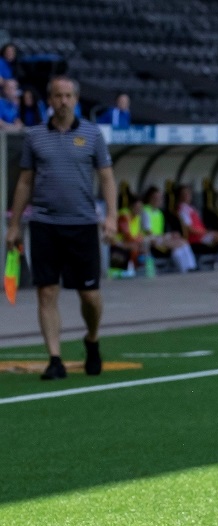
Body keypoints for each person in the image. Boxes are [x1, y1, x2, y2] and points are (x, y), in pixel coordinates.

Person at [5, 75, 117, 380]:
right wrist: (14, 225)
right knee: (46, 292)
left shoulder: (93, 135)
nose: (63, 101)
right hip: (44, 224)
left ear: (76, 100)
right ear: (50, 100)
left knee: (89, 295)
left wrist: (111, 217)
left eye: (68, 96)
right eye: (57, 96)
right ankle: (55, 358)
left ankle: (92, 339)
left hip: (82, 224)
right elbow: (25, 181)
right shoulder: (35, 135)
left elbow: (106, 177)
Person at [141, 186, 197, 273]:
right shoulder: (145, 211)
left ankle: (190, 267)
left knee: (181, 244)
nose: (158, 200)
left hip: (158, 238)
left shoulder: (159, 213)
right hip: (149, 240)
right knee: (180, 243)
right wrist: (168, 236)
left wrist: (169, 235)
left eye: (160, 198)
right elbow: (148, 233)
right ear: (150, 198)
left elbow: (160, 232)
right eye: (155, 198)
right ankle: (185, 269)